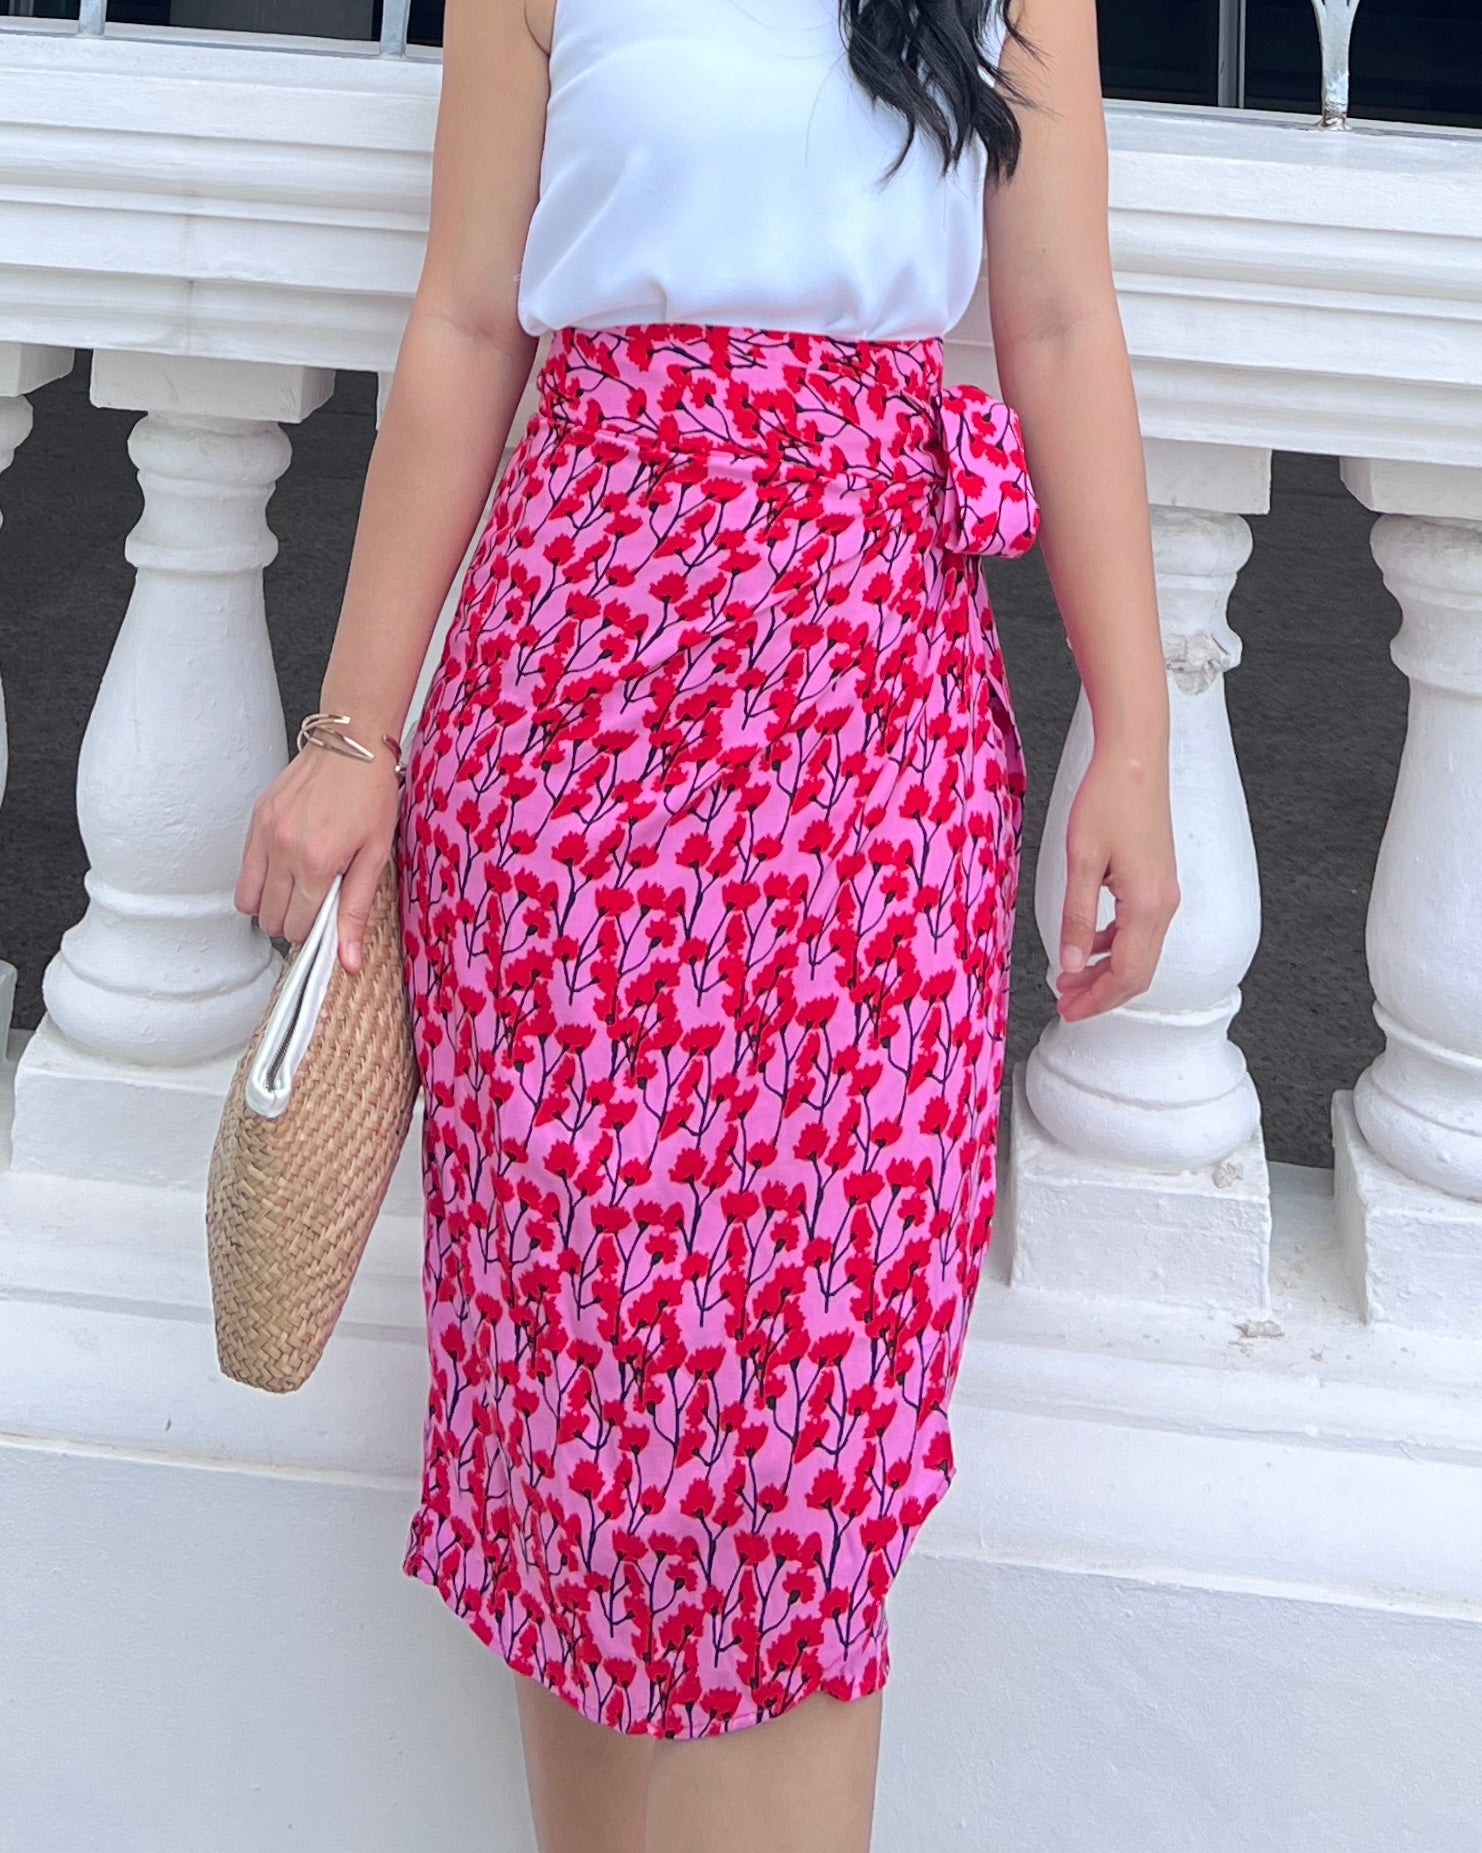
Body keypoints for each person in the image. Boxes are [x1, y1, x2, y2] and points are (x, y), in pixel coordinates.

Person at [234, 0, 1178, 1846]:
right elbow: (469, 318)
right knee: (579, 1437)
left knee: (805, 1465)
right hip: (569, 752)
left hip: (872, 761)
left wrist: (1131, 739)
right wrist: (354, 733)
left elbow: (1061, 327)